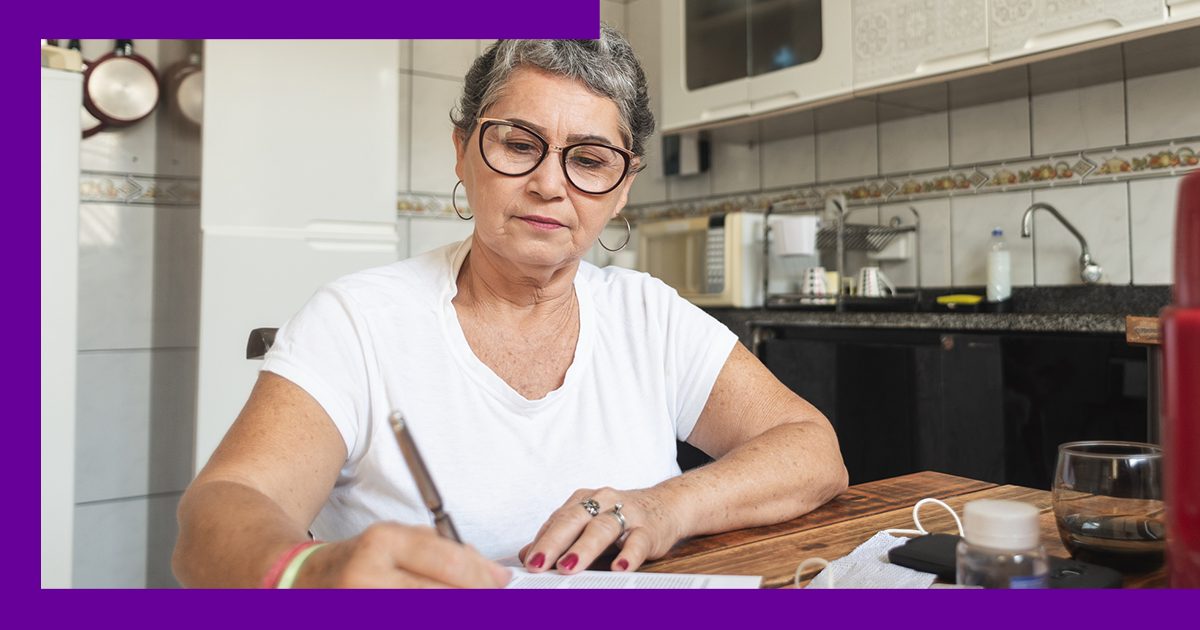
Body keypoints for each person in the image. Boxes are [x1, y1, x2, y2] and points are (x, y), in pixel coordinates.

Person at [173, 26, 848, 589]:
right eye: (519, 145)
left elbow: (811, 449)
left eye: (590, 159)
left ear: (622, 188)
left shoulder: (647, 315)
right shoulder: (359, 321)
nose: (550, 184)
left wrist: (666, 505)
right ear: (464, 149)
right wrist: (315, 571)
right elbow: (217, 517)